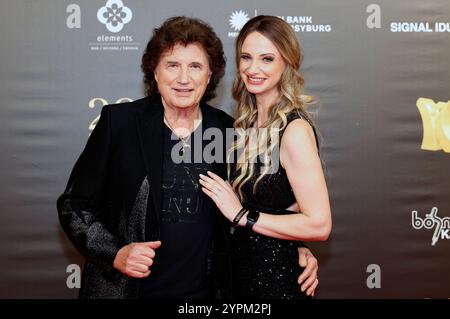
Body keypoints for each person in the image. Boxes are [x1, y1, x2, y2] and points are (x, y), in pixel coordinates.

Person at [57, 16, 319, 299]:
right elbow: (74, 205)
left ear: (209, 76)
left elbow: (254, 204)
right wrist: (115, 253)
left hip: (204, 297)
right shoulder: (119, 123)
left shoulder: (230, 131)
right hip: (128, 292)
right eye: (172, 65)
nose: (184, 78)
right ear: (154, 72)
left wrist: (294, 247)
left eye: (195, 66)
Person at [200, 15, 331, 299]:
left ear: (287, 63)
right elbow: (280, 211)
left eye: (267, 59)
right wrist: (296, 243)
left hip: (275, 282)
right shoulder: (245, 125)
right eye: (246, 57)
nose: (253, 68)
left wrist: (241, 215)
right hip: (238, 277)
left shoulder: (293, 130)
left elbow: (320, 224)